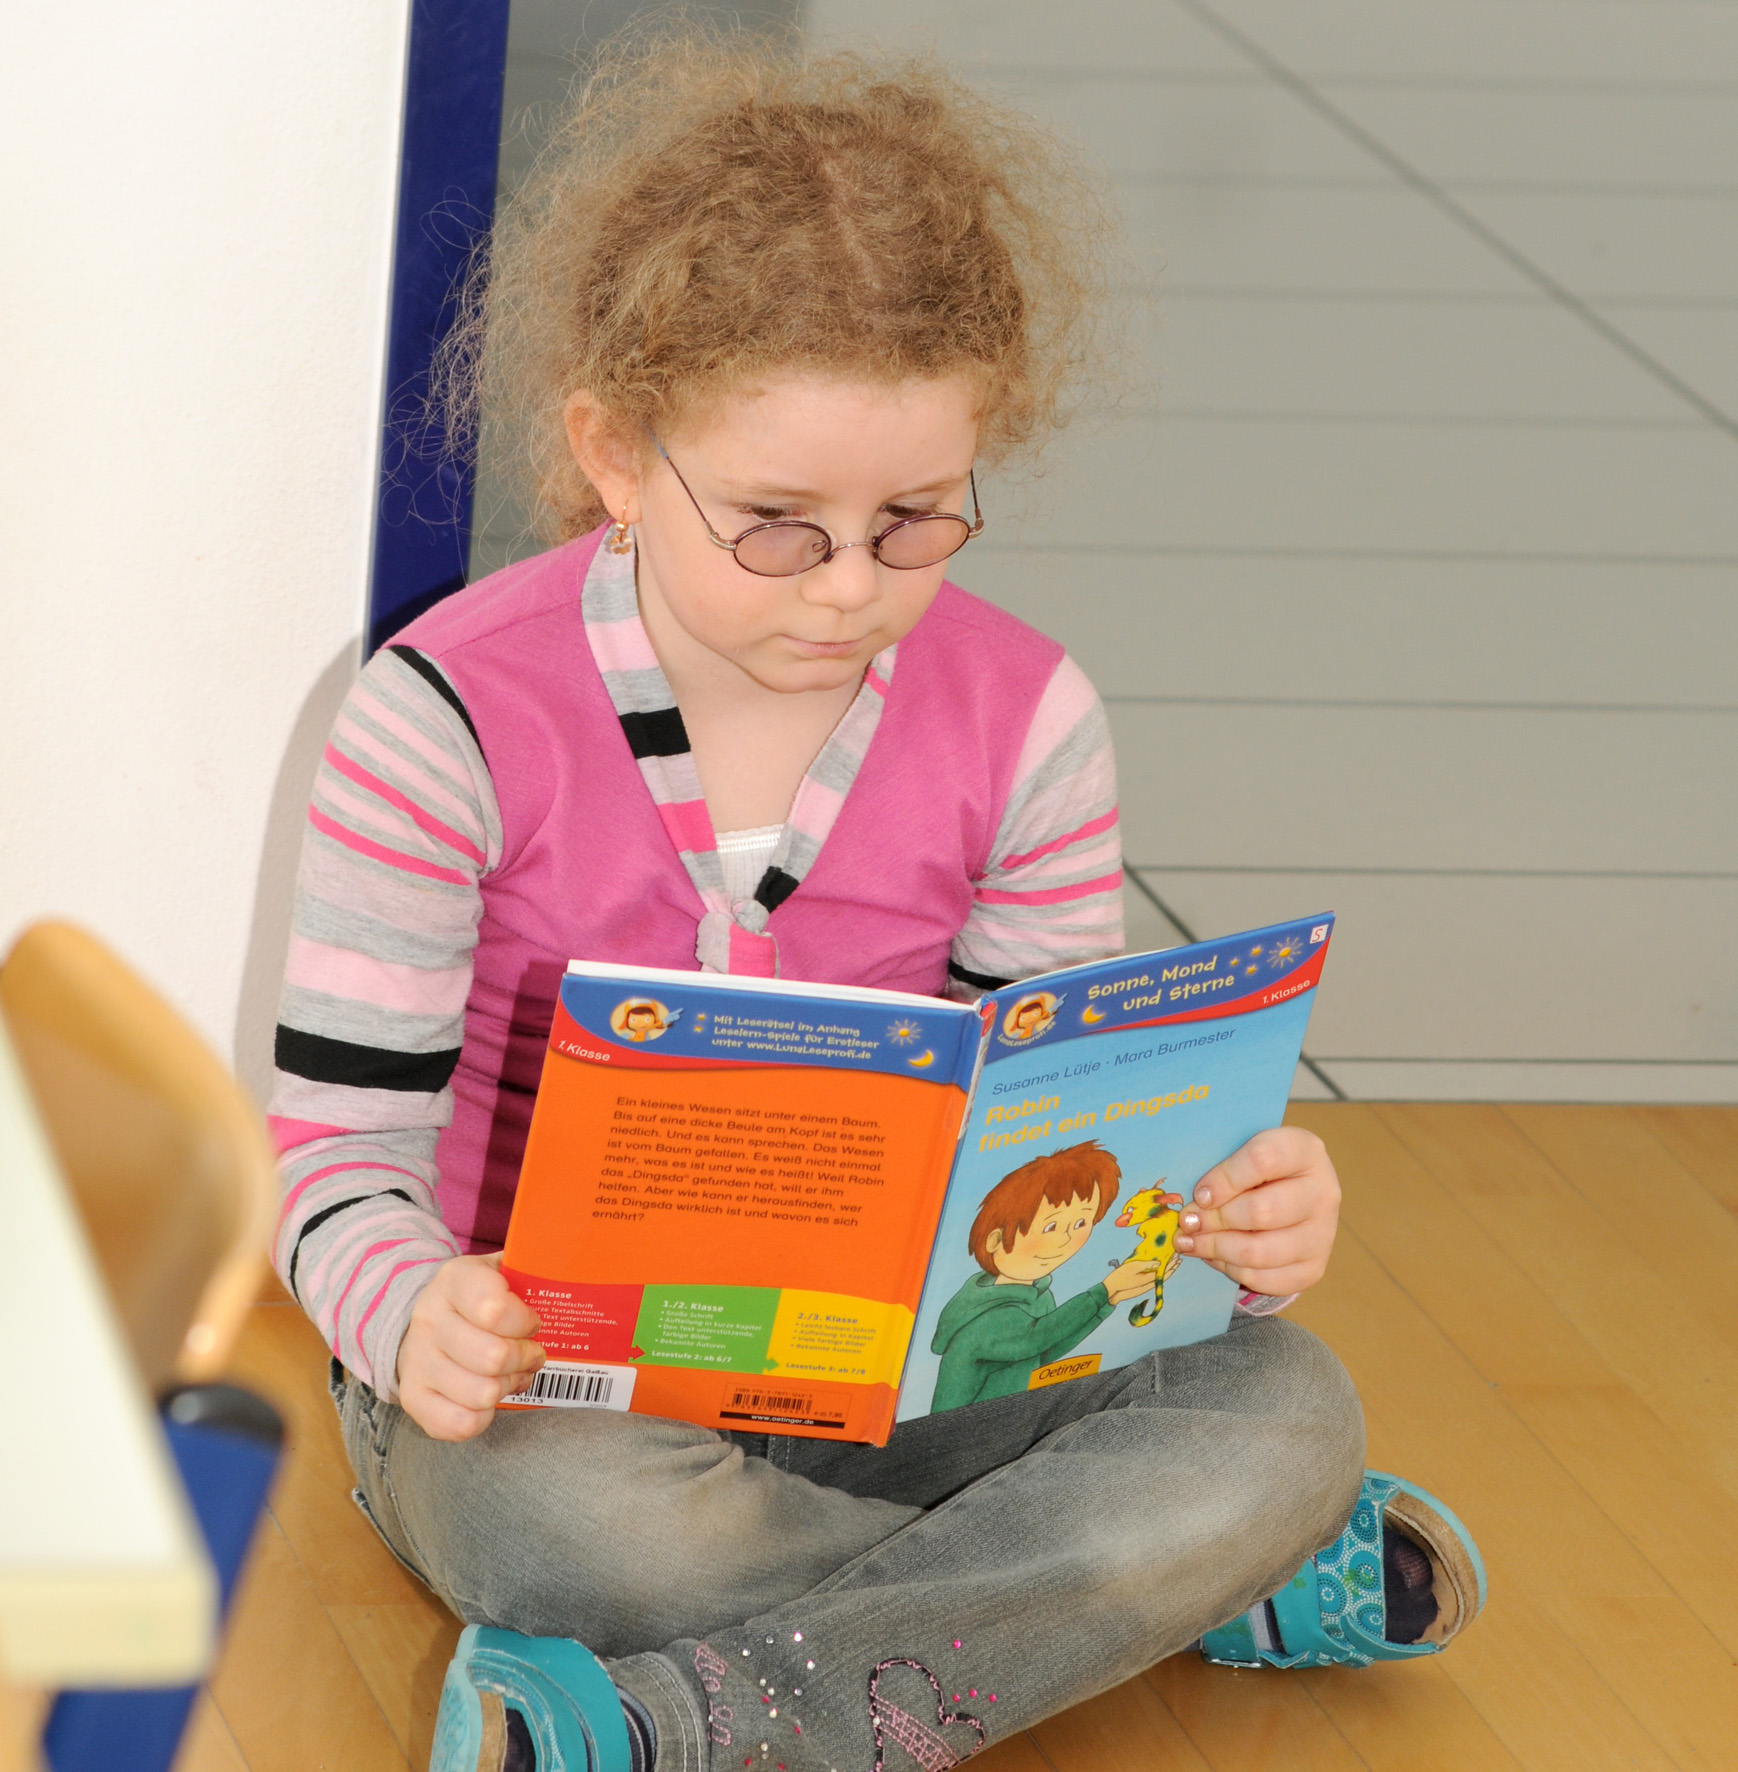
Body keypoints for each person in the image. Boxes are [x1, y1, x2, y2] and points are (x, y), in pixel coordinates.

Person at [268, 30, 1484, 1772]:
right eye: (774, 524)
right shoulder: (441, 719)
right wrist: (412, 1317)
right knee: (571, 1537)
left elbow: (1049, 1155)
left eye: (914, 518)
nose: (846, 587)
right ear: (613, 454)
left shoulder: (1027, 720)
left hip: (915, 1369)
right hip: (553, 1387)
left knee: (1285, 1410)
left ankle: (680, 1725)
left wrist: (1222, 1223)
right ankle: (1138, 1581)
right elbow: (334, 1159)